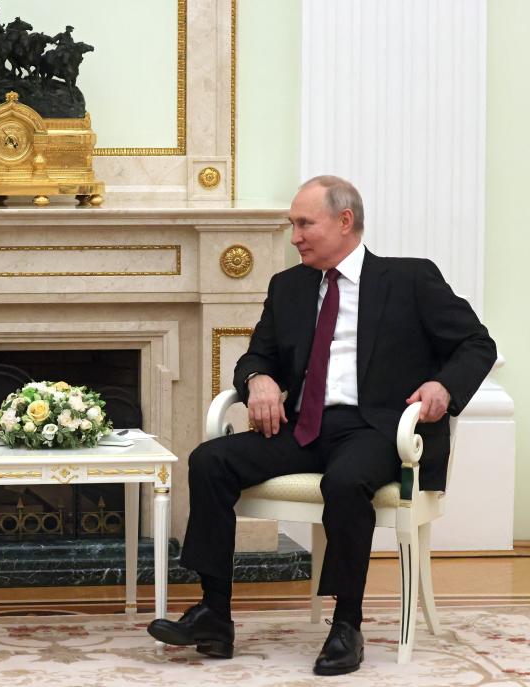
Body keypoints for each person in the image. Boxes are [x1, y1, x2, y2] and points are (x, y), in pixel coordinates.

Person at [147, 175, 496, 675]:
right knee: (210, 460)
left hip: (378, 429)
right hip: (305, 427)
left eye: (304, 223)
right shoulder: (288, 286)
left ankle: (347, 625)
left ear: (344, 221)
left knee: (346, 480)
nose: (295, 236)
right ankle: (214, 615)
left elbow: (476, 344)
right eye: (293, 224)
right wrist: (259, 380)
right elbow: (256, 356)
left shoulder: (410, 280)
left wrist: (444, 387)